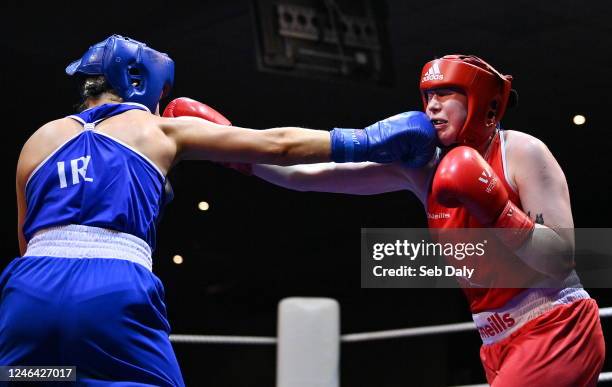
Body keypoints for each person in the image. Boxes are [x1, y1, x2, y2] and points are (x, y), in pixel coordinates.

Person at [0, 34, 437, 386]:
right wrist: (367, 139)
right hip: (111, 294)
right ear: (144, 83)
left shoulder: (38, 140)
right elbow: (279, 144)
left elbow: (25, 241)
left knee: (38, 378)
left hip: (28, 296)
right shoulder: (159, 128)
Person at [222, 55, 605, 386]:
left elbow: (561, 260)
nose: (432, 106)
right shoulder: (422, 169)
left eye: (445, 94)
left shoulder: (522, 151)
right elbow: (309, 178)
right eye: (427, 96)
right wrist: (239, 156)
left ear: (484, 103)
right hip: (495, 340)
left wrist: (497, 209)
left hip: (557, 326)